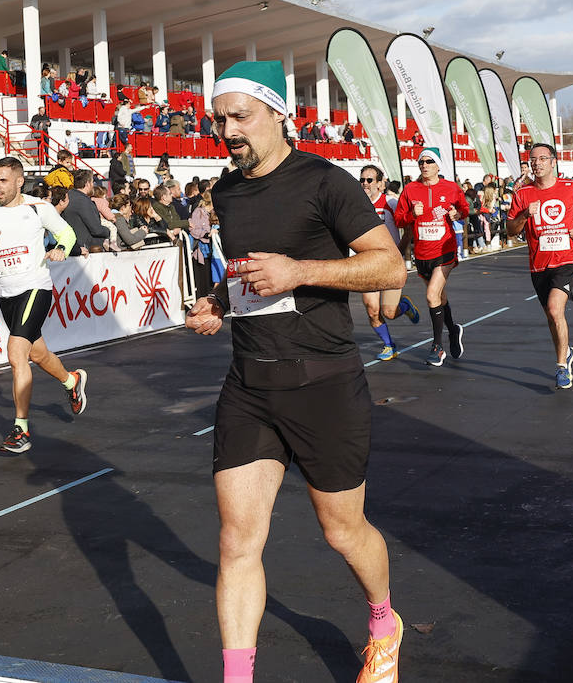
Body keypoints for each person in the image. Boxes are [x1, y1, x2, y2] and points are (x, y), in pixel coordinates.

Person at [183, 60, 407, 683]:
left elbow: (389, 268)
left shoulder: (326, 182)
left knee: (343, 531)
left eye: (241, 116)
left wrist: (301, 270)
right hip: (251, 383)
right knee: (236, 542)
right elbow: (250, 272)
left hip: (324, 383)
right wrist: (220, 302)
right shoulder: (225, 190)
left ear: (280, 113)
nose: (228, 130)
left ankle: (383, 622)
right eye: (219, 118)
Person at [0, 156, 86, 455]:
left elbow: (66, 234)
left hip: (35, 286)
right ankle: (72, 380)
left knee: (17, 353)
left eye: (3, 180)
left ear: (19, 181)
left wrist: (59, 249)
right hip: (6, 292)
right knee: (37, 352)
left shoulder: (37, 207)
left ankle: (21, 429)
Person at [507, 143, 573, 390]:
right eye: (532, 160)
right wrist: (525, 215)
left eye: (542, 158)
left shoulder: (570, 187)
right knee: (550, 314)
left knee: (556, 309)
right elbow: (510, 231)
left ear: (553, 162)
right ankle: (565, 352)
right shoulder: (522, 194)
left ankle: (561, 367)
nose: (536, 163)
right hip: (538, 264)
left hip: (567, 259)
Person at [392, 147, 470, 367]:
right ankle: (453, 329)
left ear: (437, 166)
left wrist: (458, 213)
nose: (424, 165)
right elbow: (399, 220)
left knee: (431, 295)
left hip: (444, 251)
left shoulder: (451, 188)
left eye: (428, 161)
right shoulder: (410, 189)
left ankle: (437, 347)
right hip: (422, 253)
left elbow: (466, 208)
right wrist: (410, 215)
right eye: (421, 162)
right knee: (439, 298)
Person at [357, 164, 419, 361]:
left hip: (391, 264)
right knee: (372, 309)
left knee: (389, 312)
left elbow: (408, 229)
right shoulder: (356, 206)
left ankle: (406, 306)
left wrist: (398, 251)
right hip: (368, 264)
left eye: (369, 180)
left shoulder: (390, 203)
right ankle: (389, 346)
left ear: (380, 184)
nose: (365, 184)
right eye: (362, 180)